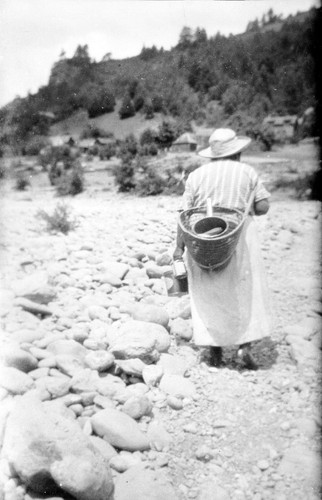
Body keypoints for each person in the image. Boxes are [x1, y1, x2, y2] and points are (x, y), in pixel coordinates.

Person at [173, 128, 271, 369]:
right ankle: (243, 346)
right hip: (239, 235)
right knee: (245, 290)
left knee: (210, 291)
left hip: (204, 237)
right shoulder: (247, 172)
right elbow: (263, 206)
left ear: (213, 155)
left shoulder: (196, 175)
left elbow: (183, 215)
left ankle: (214, 350)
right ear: (237, 153)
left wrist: (179, 247)